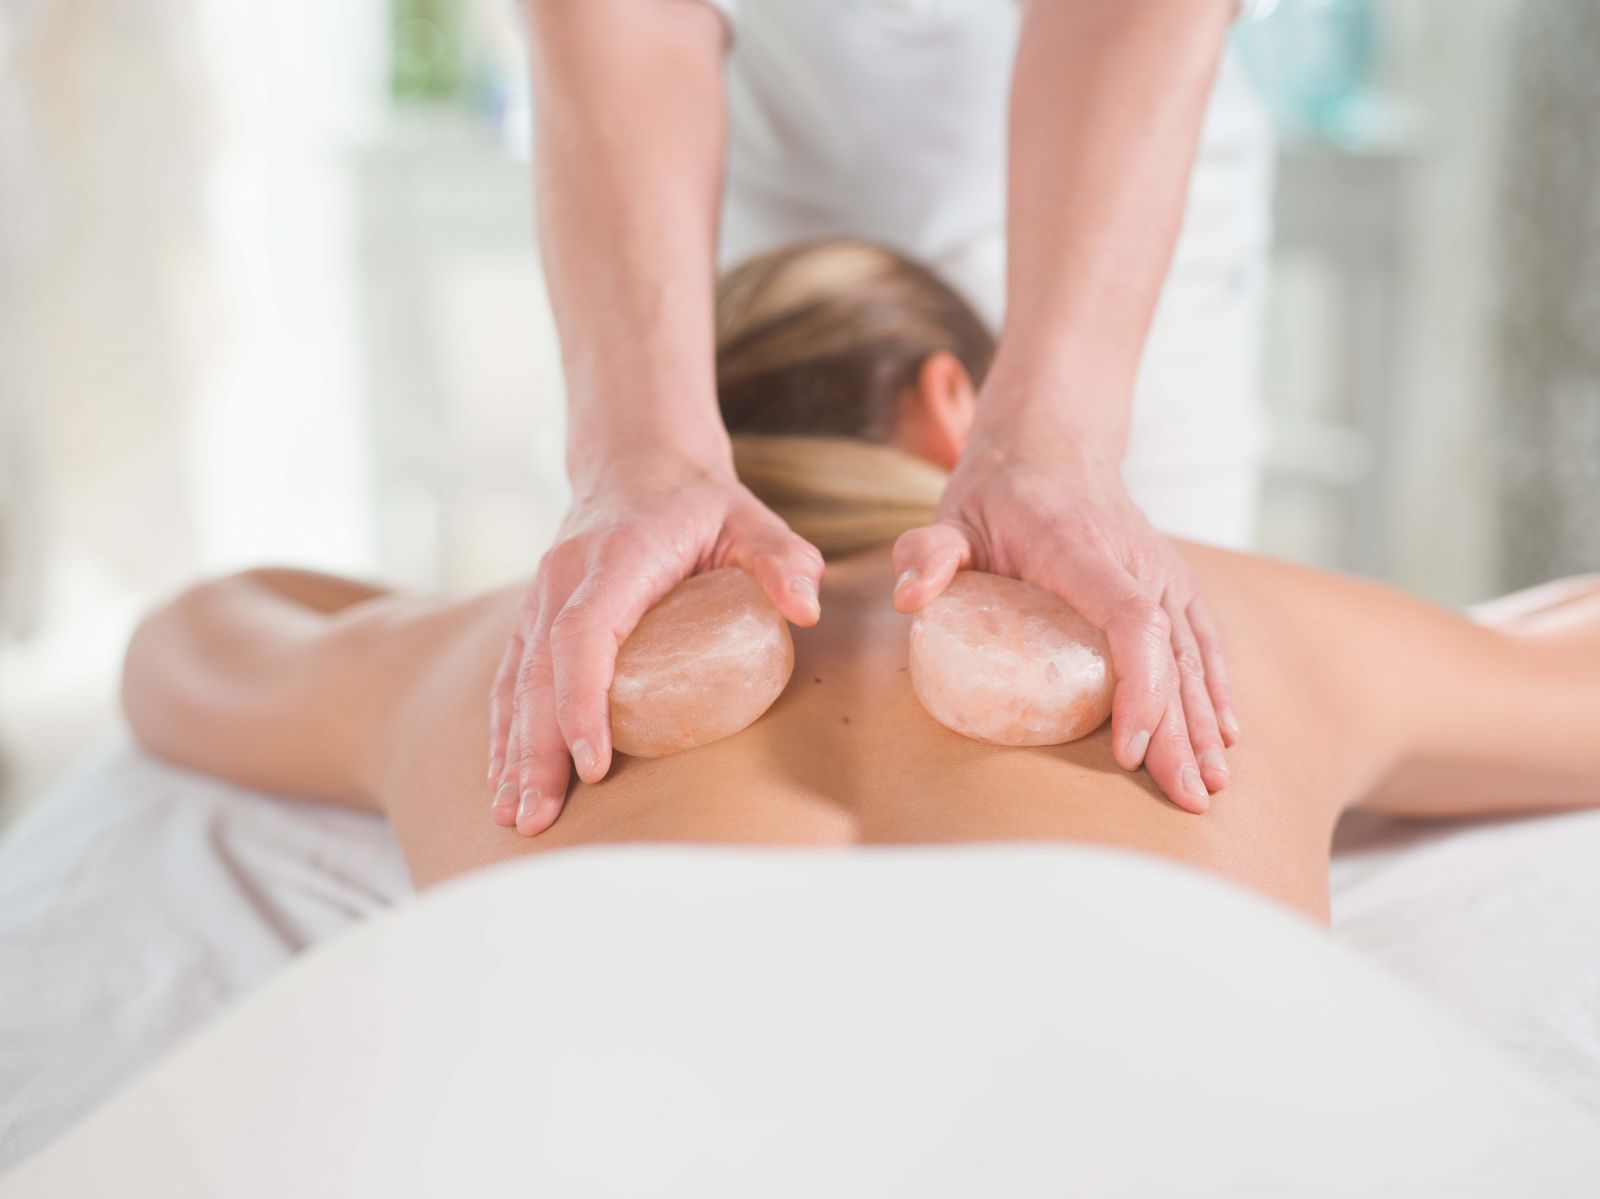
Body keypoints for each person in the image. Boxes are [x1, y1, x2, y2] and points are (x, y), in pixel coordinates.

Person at [121, 240, 1600, 920]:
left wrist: (410, 610)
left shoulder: (510, 661)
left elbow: (191, 634)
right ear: (951, 405)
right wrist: (1434, 651)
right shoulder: (1211, 622)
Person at [499, 0, 1274, 817]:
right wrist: (645, 451)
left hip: (1118, 171)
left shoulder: (511, 655)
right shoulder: (1272, 638)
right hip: (719, 179)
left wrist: (1062, 441)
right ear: (947, 402)